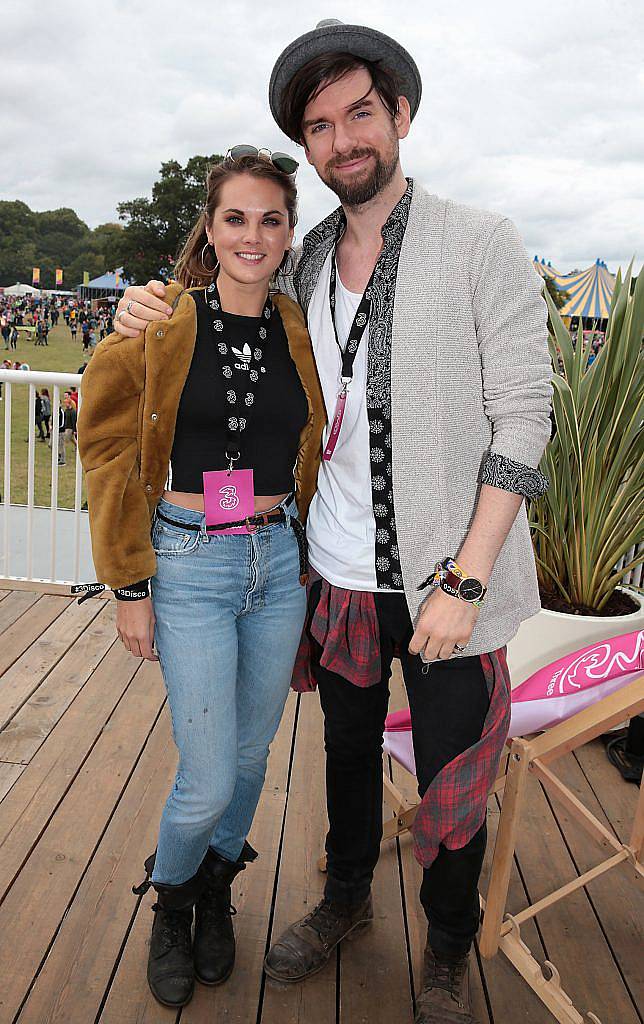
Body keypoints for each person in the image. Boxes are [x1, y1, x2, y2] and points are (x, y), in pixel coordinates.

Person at [115, 22, 552, 1024]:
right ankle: (345, 898)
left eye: (360, 111)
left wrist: (469, 577)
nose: (342, 137)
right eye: (319, 124)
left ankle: (445, 944)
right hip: (332, 570)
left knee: (452, 772)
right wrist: (146, 307)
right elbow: (216, 320)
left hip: (447, 579)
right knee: (344, 756)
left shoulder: (478, 239)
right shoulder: (304, 258)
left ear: (399, 114)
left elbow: (523, 415)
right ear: (307, 149)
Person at [78, 152, 325, 1009]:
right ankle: (171, 900)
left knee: (251, 760)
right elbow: (105, 447)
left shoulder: (303, 326)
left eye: (271, 220)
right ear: (210, 228)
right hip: (188, 562)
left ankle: (215, 887)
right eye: (236, 218)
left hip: (277, 561)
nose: (253, 236)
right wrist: (129, 587)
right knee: (209, 774)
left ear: (289, 232)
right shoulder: (158, 321)